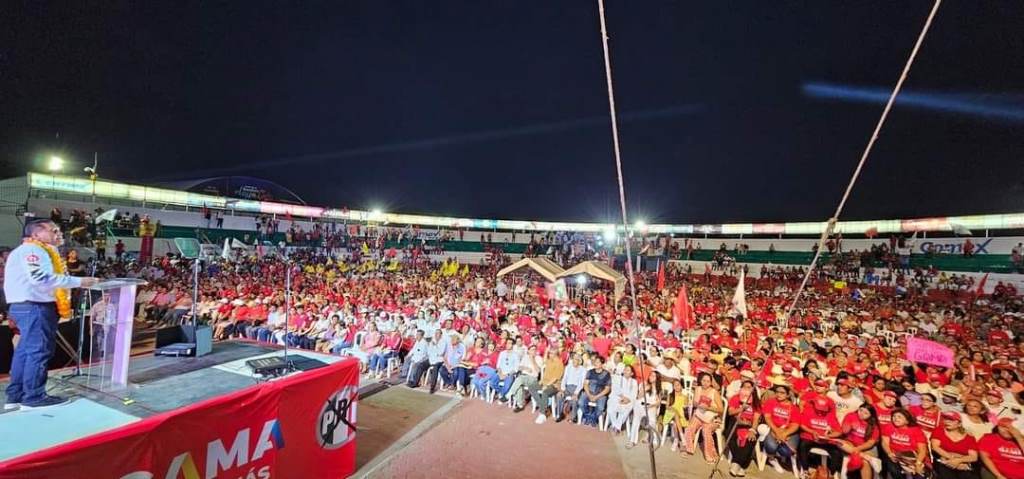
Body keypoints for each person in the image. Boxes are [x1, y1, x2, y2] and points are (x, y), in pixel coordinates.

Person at [4, 219, 97, 410]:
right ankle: (34, 397)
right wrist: (80, 281)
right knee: (38, 352)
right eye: (53, 231)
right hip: (34, 306)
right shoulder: (33, 250)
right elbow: (40, 278)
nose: (58, 234)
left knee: (25, 352)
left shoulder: (33, 250)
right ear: (36, 235)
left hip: (25, 306)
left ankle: (16, 396)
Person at [684, 372, 725, 463]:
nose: (705, 383)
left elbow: (721, 410)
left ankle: (710, 455)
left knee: (706, 430)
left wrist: (708, 407)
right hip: (699, 414)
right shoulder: (698, 389)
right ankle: (689, 448)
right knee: (690, 428)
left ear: (711, 382)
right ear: (701, 381)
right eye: (704, 381)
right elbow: (695, 403)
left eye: (708, 381)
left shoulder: (714, 392)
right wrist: (700, 404)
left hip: (712, 417)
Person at [760, 384, 801, 474]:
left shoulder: (794, 408)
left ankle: (776, 454)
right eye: (777, 392)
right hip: (772, 428)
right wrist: (777, 432)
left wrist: (784, 434)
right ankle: (772, 459)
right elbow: (767, 418)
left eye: (782, 393)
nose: (778, 394)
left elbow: (795, 425)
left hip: (788, 431)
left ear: (788, 395)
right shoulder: (771, 402)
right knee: (771, 447)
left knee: (786, 452)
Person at [726, 380, 762, 477]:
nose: (746, 389)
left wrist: (752, 430)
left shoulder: (756, 402)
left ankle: (736, 463)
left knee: (751, 438)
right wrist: (741, 409)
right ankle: (741, 465)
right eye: (744, 386)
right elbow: (730, 412)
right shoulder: (735, 398)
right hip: (736, 422)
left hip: (750, 425)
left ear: (753, 390)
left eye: (749, 387)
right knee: (730, 433)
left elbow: (756, 419)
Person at [882, 409, 930, 479]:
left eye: (899, 417)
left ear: (907, 421)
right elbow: (885, 443)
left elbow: (922, 450)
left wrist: (918, 463)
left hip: (914, 457)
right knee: (894, 469)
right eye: (894, 416)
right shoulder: (888, 427)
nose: (895, 418)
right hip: (895, 456)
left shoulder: (916, 430)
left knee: (919, 474)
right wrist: (889, 453)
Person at [931, 411, 980, 479]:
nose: (947, 421)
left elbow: (973, 457)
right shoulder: (939, 430)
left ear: (959, 424)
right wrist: (953, 460)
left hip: (963, 464)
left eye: (951, 420)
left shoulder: (969, 438)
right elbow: (935, 447)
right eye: (945, 419)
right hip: (943, 462)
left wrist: (959, 461)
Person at [576, 355, 612, 427]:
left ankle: (593, 417)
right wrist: (589, 394)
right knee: (580, 402)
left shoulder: (606, 374)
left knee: (601, 408)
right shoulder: (590, 372)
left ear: (602, 364)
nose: (595, 363)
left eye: (598, 362)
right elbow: (585, 384)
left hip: (600, 394)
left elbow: (607, 389)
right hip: (589, 392)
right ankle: (588, 416)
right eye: (595, 362)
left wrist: (596, 397)